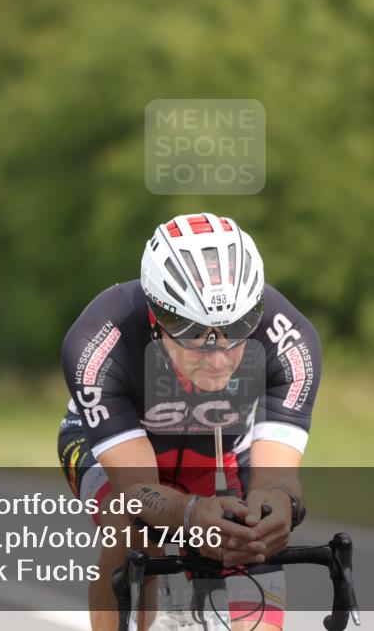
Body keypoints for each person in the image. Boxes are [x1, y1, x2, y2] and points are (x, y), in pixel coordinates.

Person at [58, 213, 320, 630]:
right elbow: (135, 490)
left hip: (221, 450)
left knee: (255, 539)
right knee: (132, 530)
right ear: (157, 319)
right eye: (195, 336)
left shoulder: (289, 340)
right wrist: (191, 515)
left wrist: (278, 509)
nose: (218, 359)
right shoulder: (98, 340)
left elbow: (278, 479)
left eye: (237, 329)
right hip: (114, 452)